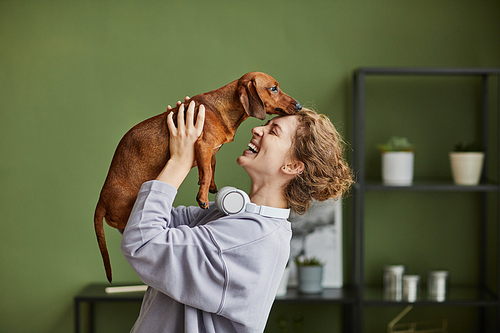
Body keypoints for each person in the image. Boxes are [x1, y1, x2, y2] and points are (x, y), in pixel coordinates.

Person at [121, 100, 353, 333]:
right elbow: (138, 218)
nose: (257, 129)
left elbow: (143, 242)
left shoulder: (250, 238)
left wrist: (179, 163)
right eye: (267, 124)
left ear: (292, 166)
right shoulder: (238, 219)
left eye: (273, 131)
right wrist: (164, 143)